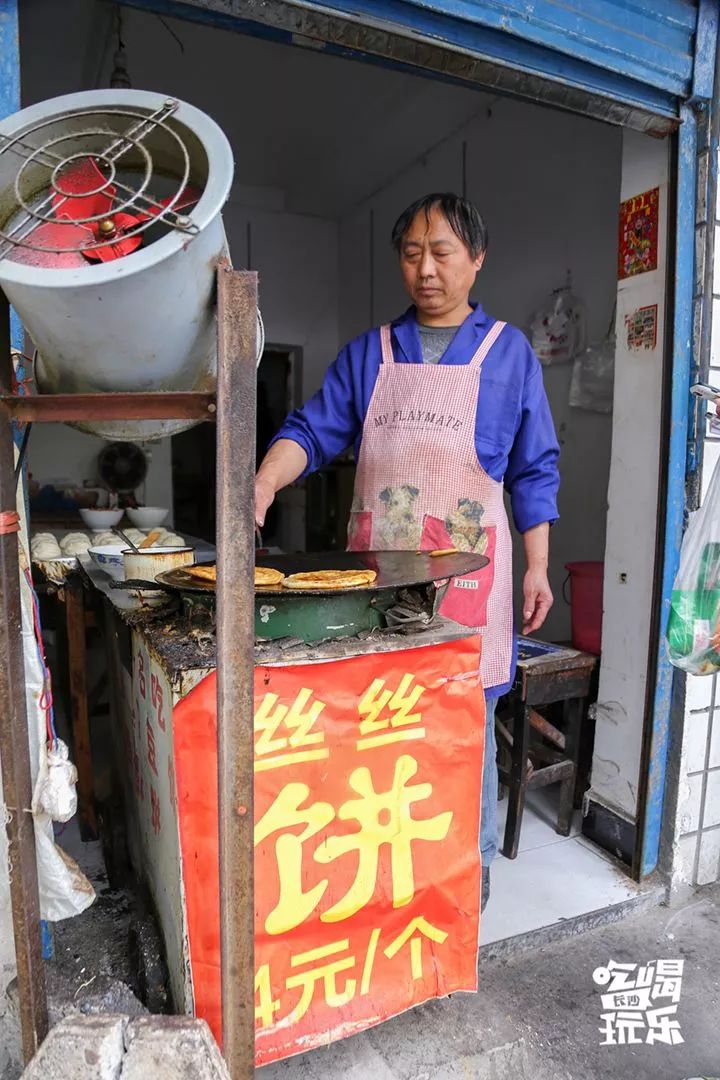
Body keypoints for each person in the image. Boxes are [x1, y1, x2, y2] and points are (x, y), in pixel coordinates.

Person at [255, 193, 560, 911]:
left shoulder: (508, 352)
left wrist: (541, 564)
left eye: (443, 253)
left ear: (476, 260)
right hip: (377, 581)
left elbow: (533, 469)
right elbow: (315, 428)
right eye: (412, 254)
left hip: (468, 584)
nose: (426, 270)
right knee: (378, 717)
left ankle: (467, 872)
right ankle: (380, 866)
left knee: (465, 723)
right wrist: (266, 478)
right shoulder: (370, 353)